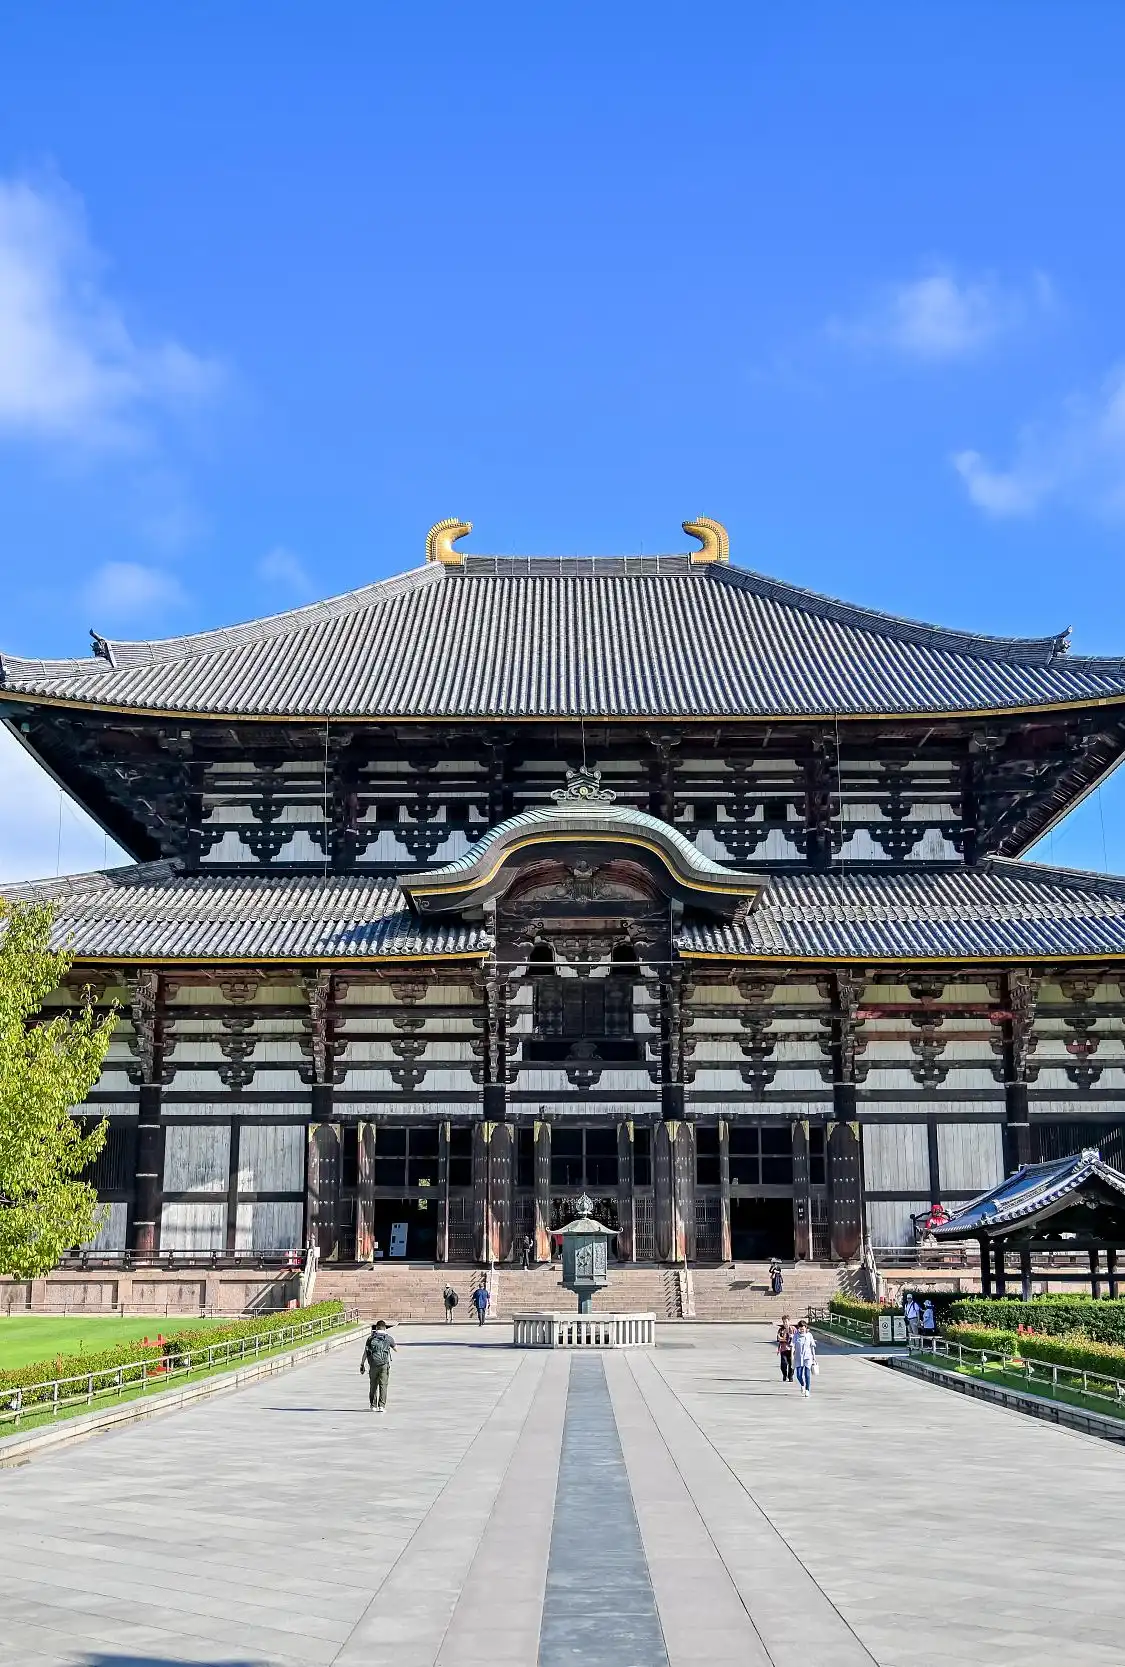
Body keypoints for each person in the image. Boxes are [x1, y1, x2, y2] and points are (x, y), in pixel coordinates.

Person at [359, 1320, 396, 1413]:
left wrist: (362, 1364)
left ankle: (373, 1405)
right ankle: (381, 1406)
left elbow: (365, 1353)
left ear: (376, 1328)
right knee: (383, 1385)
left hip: (373, 1365)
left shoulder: (370, 1338)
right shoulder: (388, 1338)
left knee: (373, 1385)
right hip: (384, 1364)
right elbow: (396, 1349)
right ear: (385, 1328)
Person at [793, 1318, 817, 1398]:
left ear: (806, 1328)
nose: (802, 1330)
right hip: (798, 1357)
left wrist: (814, 1357)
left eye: (803, 1328)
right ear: (798, 1328)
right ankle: (802, 1384)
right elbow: (792, 1344)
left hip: (807, 1357)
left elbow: (812, 1346)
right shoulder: (796, 1335)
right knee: (798, 1375)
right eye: (800, 1328)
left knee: (807, 1374)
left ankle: (807, 1389)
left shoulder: (809, 1335)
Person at [775, 1314, 795, 1383]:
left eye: (786, 1322)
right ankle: (784, 1374)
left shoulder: (793, 1329)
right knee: (783, 1363)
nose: (785, 1323)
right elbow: (778, 1339)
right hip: (783, 1349)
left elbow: (795, 1338)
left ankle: (790, 1376)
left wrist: (785, 1339)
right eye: (784, 1322)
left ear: (789, 1321)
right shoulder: (781, 1330)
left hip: (792, 1350)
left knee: (791, 1364)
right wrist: (786, 1339)